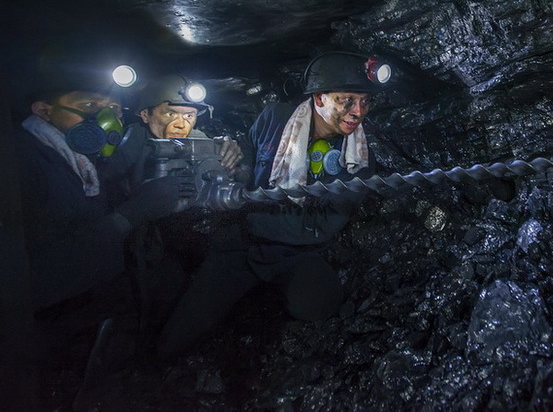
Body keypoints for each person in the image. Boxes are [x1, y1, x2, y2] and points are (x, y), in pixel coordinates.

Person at [156, 51, 390, 359]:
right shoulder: (275, 117)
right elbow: (250, 165)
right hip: (241, 246)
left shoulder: (359, 162)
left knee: (320, 303)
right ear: (319, 98)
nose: (357, 111)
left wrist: (252, 216)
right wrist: (235, 166)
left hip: (294, 252)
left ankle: (264, 310)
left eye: (365, 102)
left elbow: (321, 229)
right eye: (347, 100)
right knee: (178, 335)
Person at [15, 71, 188, 310]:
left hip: (96, 304)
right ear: (44, 111)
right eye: (88, 104)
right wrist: (130, 215)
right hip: (55, 323)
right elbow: (32, 281)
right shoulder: (21, 164)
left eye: (114, 108)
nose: (107, 118)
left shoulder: (82, 159)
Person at [103, 74, 247, 202]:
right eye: (171, 114)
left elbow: (240, 178)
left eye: (189, 115)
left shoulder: (200, 139)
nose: (181, 124)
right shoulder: (134, 137)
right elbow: (105, 179)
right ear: (145, 115)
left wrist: (232, 163)